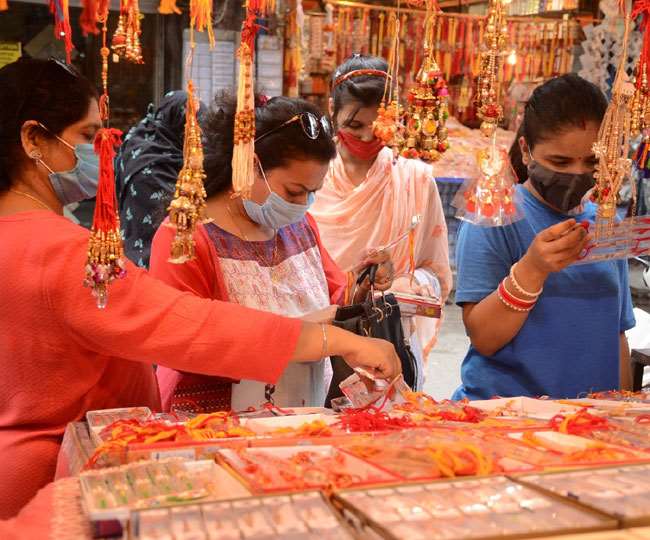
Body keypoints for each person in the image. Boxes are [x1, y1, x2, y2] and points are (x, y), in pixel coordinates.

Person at [0, 58, 400, 518]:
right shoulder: (65, 251)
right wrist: (331, 338)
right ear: (33, 139)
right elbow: (189, 325)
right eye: (89, 136)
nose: (104, 150)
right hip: (53, 484)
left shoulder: (25, 235)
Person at [150, 93, 395, 412]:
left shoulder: (299, 224)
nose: (302, 203)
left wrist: (364, 281)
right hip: (212, 420)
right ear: (251, 164)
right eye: (294, 191)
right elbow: (188, 341)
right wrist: (316, 336)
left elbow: (332, 300)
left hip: (299, 408)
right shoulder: (186, 237)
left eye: (312, 193)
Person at [453, 74, 635, 401]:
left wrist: (620, 410)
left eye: (592, 162)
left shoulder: (606, 221)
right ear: (526, 151)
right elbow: (483, 337)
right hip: (507, 420)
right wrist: (532, 270)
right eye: (560, 161)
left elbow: (616, 334)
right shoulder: (495, 216)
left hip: (588, 422)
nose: (577, 173)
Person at [309, 54, 453, 390]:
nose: (364, 139)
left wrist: (405, 282)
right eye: (353, 126)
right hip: (315, 338)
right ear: (332, 110)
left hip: (386, 341)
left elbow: (436, 272)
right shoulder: (309, 177)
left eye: (378, 128)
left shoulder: (415, 180)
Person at [115, 90, 205, 268]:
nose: (197, 137)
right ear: (177, 124)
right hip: (146, 260)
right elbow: (172, 218)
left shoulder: (174, 154)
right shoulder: (150, 163)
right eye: (192, 129)